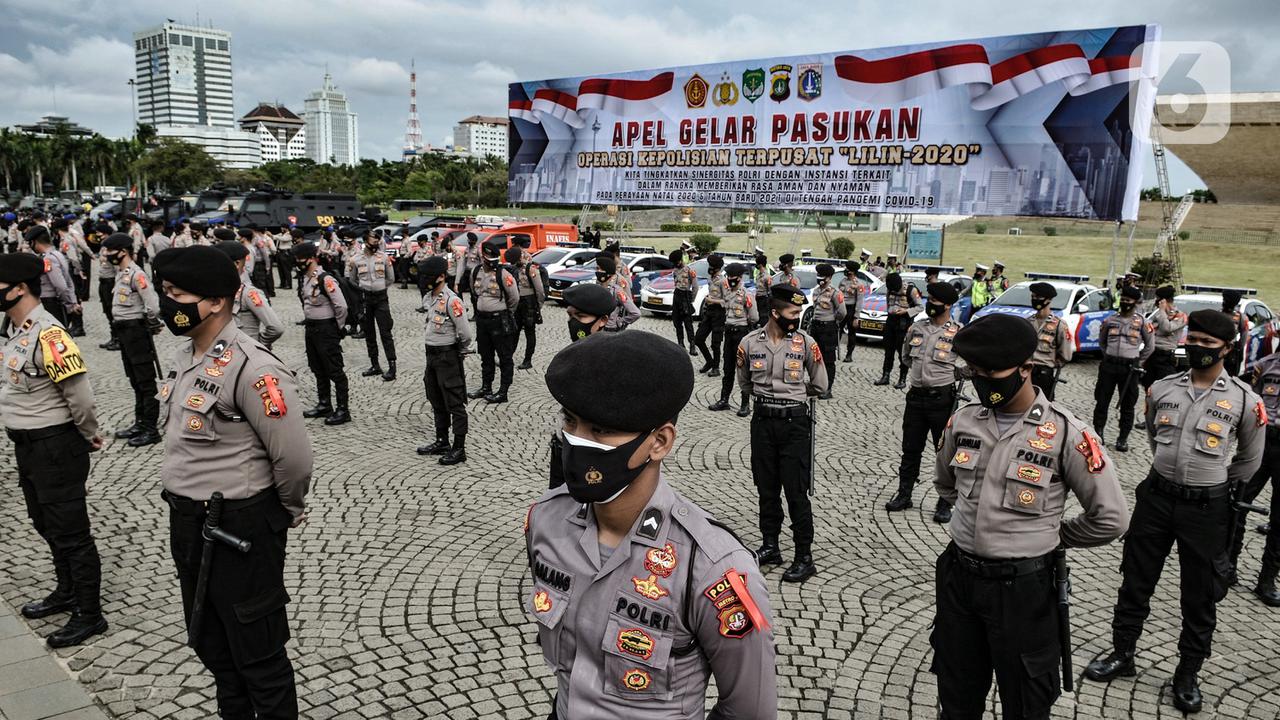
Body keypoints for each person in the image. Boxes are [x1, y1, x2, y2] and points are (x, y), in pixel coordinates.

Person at [528, 330, 777, 719]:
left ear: (659, 442)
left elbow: (750, 712)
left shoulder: (715, 569)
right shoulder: (546, 520)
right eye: (571, 421)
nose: (576, 442)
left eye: (602, 429)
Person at [934, 313, 1128, 720]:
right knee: (957, 695)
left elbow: (1110, 517)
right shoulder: (965, 419)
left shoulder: (1066, 434)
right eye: (974, 372)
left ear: (1026, 368)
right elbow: (946, 482)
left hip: (1022, 591)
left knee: (1025, 702)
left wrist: (1055, 536)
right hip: (960, 580)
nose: (982, 379)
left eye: (992, 372)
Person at [152, 246, 312, 720]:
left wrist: (281, 512)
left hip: (239, 528)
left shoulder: (254, 367)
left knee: (259, 656)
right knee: (214, 646)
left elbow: (294, 458)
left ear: (218, 301)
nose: (168, 304)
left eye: (177, 294)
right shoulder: (188, 355)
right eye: (165, 293)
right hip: (189, 523)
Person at [1085, 310, 1264, 714]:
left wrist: (1210, 479)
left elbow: (1250, 461)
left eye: (1207, 344)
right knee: (1135, 578)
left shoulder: (1244, 401)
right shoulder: (1161, 389)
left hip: (1207, 507)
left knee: (1199, 594)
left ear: (1228, 349)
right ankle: (1123, 653)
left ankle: (1187, 673)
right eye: (1193, 340)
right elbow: (1153, 438)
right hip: (1157, 498)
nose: (1197, 349)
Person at [0, 253, 108, 648]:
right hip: (27, 445)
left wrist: (88, 434)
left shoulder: (50, 334)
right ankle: (65, 591)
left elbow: (80, 395)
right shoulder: (12, 328)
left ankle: (89, 613)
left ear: (19, 289)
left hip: (55, 445)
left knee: (71, 532)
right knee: (44, 522)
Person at [737, 285, 829, 582]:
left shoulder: (806, 344)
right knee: (766, 488)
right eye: (792, 313)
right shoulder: (749, 343)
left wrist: (792, 398)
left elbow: (820, 384)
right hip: (763, 422)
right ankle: (770, 545)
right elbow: (745, 383)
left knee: (795, 491)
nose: (797, 318)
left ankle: (804, 555)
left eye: (799, 313)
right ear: (775, 313)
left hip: (795, 424)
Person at [885, 282, 963, 522]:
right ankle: (905, 493)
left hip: (942, 399)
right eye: (929, 299)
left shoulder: (959, 333)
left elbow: (968, 366)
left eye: (935, 301)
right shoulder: (917, 328)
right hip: (916, 398)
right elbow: (906, 357)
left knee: (945, 452)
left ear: (948, 305)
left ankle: (944, 503)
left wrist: (948, 375)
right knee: (910, 449)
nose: (930, 304)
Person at [548, 283, 619, 489]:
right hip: (564, 446)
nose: (574, 323)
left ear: (603, 320)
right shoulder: (570, 354)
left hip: (594, 452)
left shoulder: (614, 358)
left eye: (581, 317)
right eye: (570, 316)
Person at [1230, 351, 1280, 607]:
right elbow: (1252, 400)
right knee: (1237, 502)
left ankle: (1267, 579)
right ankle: (1229, 564)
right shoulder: (1265, 365)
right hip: (1262, 441)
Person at [103, 233, 163, 447]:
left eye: (110, 251)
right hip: (125, 333)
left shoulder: (137, 275)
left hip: (136, 331)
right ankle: (140, 422)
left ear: (123, 252)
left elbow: (153, 306)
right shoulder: (122, 274)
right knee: (135, 380)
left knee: (146, 381)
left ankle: (150, 428)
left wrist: (151, 324)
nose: (106, 255)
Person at [416, 256, 472, 466]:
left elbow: (465, 333)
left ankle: (459, 448)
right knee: (436, 398)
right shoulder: (430, 297)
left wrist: (460, 351)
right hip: (431, 356)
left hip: (447, 357)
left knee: (454, 403)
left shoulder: (452, 300)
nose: (424, 280)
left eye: (428, 277)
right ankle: (442, 441)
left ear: (441, 277)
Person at [294, 242, 351, 425]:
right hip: (311, 329)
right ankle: (324, 403)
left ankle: (343, 409)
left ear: (311, 259)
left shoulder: (325, 279)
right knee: (317, 367)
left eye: (300, 260)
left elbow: (341, 306)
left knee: (334, 369)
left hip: (326, 329)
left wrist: (337, 327)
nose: (298, 263)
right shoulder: (306, 278)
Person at [1092, 285, 1154, 451]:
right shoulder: (1110, 320)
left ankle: (1122, 438)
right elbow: (1102, 342)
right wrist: (1108, 356)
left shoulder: (1142, 322)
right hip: (1109, 365)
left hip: (1130, 368)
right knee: (1102, 400)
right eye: (1124, 299)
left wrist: (1138, 362)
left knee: (1128, 404)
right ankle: (1098, 432)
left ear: (1135, 302)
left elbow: (1150, 346)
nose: (1126, 302)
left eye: (1129, 300)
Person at [467, 238, 519, 404]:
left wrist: (504, 312)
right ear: (483, 258)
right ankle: (486, 387)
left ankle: (503, 391)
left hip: (499, 320)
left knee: (504, 357)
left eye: (494, 261)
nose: (492, 264)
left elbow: (514, 298)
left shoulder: (503, 274)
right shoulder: (476, 272)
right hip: (482, 321)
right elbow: (474, 294)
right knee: (486, 355)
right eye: (489, 261)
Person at [347, 229, 397, 381]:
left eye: (377, 241)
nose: (375, 243)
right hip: (365, 299)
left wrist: (379, 287)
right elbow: (352, 280)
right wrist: (365, 290)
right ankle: (375, 365)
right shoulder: (355, 259)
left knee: (385, 333)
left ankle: (392, 366)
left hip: (381, 298)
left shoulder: (383, 258)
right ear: (365, 241)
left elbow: (391, 278)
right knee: (369, 333)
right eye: (373, 241)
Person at [214, 242, 284, 350]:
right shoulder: (216, 290)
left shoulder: (249, 293)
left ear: (236, 263)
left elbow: (276, 327)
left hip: (244, 353)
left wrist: (258, 344)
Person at [708, 263, 759, 414]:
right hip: (729, 332)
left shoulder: (746, 294)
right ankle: (724, 400)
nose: (730, 280)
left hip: (741, 333)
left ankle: (745, 404)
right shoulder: (728, 293)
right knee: (728, 368)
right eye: (729, 277)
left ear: (740, 278)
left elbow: (754, 317)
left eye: (733, 278)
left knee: (743, 368)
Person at [1027, 282, 1073, 400]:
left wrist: (1050, 365)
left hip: (1043, 374)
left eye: (1038, 297)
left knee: (1042, 408)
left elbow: (1066, 355)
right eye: (1033, 297)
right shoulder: (1027, 322)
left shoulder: (1059, 325)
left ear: (1048, 300)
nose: (1035, 300)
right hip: (1025, 373)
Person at [27, 225, 80, 328]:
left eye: (30, 243)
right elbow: (69, 282)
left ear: (34, 242)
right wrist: (73, 301)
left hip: (51, 304)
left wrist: (69, 304)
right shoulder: (57, 254)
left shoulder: (48, 259)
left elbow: (60, 285)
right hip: (54, 303)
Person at [875, 272, 920, 387]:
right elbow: (888, 304)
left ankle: (902, 379)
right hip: (891, 322)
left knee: (902, 352)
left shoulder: (911, 290)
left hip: (904, 323)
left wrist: (906, 311)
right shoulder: (890, 289)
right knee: (888, 351)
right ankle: (885, 376)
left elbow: (920, 307)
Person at [807, 263, 846, 399]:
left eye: (822, 276)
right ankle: (816, 384)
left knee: (828, 360)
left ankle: (827, 389)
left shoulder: (835, 292)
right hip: (816, 327)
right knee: (815, 358)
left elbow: (842, 312)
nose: (819, 279)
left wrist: (831, 320)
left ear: (829, 277)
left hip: (828, 328)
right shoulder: (817, 291)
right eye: (818, 276)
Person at [1141, 285, 1186, 396]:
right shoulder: (1157, 314)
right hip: (1152, 354)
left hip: (1166, 356)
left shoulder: (1180, 315)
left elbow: (1167, 328)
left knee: (1165, 389)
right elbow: (1147, 327)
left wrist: (1162, 311)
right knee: (1148, 387)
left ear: (1163, 300)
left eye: (1157, 299)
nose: (1156, 302)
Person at [508, 246, 545, 369]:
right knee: (515, 330)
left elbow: (540, 290)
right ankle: (508, 356)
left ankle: (528, 360)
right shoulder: (513, 268)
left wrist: (538, 306)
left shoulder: (531, 268)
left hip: (529, 303)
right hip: (518, 302)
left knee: (530, 332)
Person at [693, 254, 728, 375]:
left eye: (711, 266)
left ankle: (716, 368)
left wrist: (712, 301)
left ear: (717, 268)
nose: (709, 268)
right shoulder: (711, 279)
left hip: (719, 313)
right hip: (709, 312)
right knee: (698, 338)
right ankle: (710, 361)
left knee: (715, 343)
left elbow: (726, 301)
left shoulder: (723, 281)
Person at [596, 256, 640, 332]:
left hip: (609, 329)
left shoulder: (617, 291)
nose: (597, 271)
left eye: (599, 269)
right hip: (596, 329)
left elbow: (635, 313)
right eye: (596, 269)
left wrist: (620, 322)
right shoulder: (596, 288)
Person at [669, 250, 698, 353]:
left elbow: (695, 287)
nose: (676, 264)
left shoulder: (689, 270)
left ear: (681, 260)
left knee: (688, 323)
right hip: (677, 295)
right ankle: (680, 343)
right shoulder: (675, 270)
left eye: (677, 262)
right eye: (674, 263)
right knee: (677, 321)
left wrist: (691, 300)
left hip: (685, 296)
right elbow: (675, 282)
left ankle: (692, 345)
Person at [1221, 289, 1249, 377]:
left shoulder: (1240, 317)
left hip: (1231, 355)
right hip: (1216, 350)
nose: (1224, 301)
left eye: (1225, 300)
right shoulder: (1217, 314)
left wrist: (1237, 349)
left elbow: (1244, 336)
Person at [839, 261, 862, 361]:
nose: (846, 270)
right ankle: (835, 350)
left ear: (852, 271)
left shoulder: (858, 284)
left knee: (851, 332)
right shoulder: (843, 281)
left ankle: (849, 354)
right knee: (837, 330)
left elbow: (860, 301)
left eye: (848, 269)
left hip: (851, 309)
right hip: (841, 307)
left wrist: (856, 316)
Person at [752, 252, 772, 329]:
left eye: (757, 263)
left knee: (763, 317)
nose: (756, 265)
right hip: (758, 297)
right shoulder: (758, 275)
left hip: (764, 299)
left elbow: (769, 290)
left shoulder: (767, 276)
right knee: (758, 316)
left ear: (760, 264)